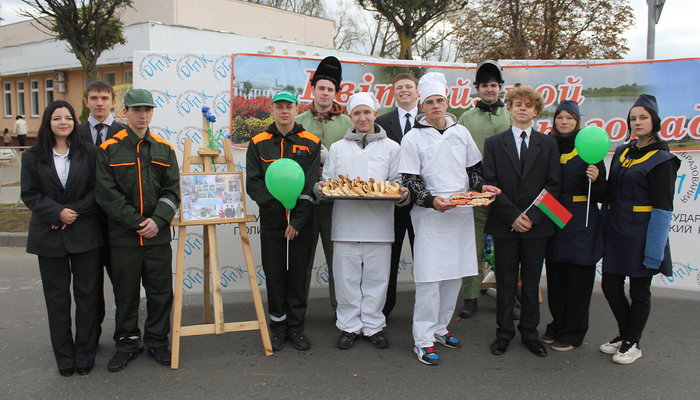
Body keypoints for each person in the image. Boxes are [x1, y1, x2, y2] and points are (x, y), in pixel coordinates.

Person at [399, 72, 500, 366]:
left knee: (454, 275)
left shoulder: (461, 133)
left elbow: (475, 171)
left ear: (447, 101)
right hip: (430, 217)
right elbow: (410, 180)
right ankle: (423, 339)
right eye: (429, 102)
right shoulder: (412, 138)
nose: (435, 106)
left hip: (460, 213)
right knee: (430, 279)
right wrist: (432, 201)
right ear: (422, 105)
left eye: (439, 100)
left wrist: (482, 188)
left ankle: (441, 328)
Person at [95, 89, 180, 371]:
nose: (142, 115)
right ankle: (127, 343)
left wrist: (158, 220)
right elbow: (107, 195)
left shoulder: (164, 149)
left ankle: (157, 341)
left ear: (152, 112)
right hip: (124, 237)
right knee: (126, 293)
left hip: (157, 235)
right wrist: (137, 223)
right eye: (136, 110)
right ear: (126, 112)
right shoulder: (109, 149)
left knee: (160, 293)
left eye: (147, 110)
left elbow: (172, 191)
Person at [319, 92, 409, 350]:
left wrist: (401, 194)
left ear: (375, 114)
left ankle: (373, 326)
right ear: (350, 116)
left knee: (377, 280)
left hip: (379, 227)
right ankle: (348, 326)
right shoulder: (337, 148)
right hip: (345, 226)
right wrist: (324, 188)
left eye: (366, 112)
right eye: (357, 113)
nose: (362, 117)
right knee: (346, 280)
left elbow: (398, 184)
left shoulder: (392, 147)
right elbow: (329, 182)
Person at [21, 100, 103, 377]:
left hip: (85, 234)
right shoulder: (32, 156)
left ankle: (85, 353)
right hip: (49, 236)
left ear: (74, 122)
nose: (63, 122)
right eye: (57, 118)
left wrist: (72, 213)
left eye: (68, 117)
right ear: (48, 123)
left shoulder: (89, 153)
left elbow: (97, 191)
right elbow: (30, 194)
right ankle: (64, 357)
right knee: (57, 299)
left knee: (88, 296)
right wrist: (56, 213)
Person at [600, 94, 680, 365]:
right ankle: (625, 333)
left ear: (654, 120)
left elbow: (662, 209)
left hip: (642, 235)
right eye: (633, 118)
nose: (637, 122)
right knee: (610, 286)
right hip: (616, 231)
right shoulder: (623, 150)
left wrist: (655, 249)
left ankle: (633, 341)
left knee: (639, 291)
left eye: (643, 117)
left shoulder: (663, 160)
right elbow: (610, 191)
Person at [482, 85, 561, 358]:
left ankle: (530, 334)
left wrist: (532, 218)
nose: (523, 108)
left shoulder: (549, 144)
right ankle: (503, 333)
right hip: (506, 225)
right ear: (510, 109)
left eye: (528, 104)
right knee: (504, 282)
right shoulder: (494, 143)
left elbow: (554, 186)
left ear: (536, 111)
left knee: (530, 283)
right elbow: (489, 184)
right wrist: (513, 216)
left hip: (536, 228)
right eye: (518, 104)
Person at [247, 90, 321, 351]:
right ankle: (278, 326)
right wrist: (280, 214)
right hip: (272, 222)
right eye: (279, 106)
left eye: (288, 106)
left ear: (295, 108)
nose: (284, 111)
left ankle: (297, 327)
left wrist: (298, 220)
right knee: (275, 273)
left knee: (298, 274)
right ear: (273, 109)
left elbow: (311, 184)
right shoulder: (258, 142)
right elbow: (254, 184)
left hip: (301, 221)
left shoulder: (311, 142)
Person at [542, 100, 608, 352]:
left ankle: (574, 330)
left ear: (577, 121)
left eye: (570, 117)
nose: (564, 122)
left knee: (579, 278)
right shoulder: (548, 146)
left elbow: (602, 194)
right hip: (554, 214)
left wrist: (596, 179)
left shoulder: (589, 149)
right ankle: (557, 324)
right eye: (560, 117)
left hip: (582, 219)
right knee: (557, 277)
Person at [296, 56, 354, 312]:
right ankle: (297, 312)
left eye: (330, 89)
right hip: (304, 203)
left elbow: (356, 160)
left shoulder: (347, 124)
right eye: (321, 88)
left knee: (338, 260)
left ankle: (340, 310)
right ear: (313, 90)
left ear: (336, 93)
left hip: (336, 205)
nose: (325, 93)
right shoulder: (299, 123)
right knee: (301, 261)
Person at [457, 61, 514, 319]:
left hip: (507, 194)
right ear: (477, 88)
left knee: (507, 250)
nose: (489, 90)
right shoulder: (466, 119)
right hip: (476, 193)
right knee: (474, 248)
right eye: (484, 86)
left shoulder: (511, 115)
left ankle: (508, 297)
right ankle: (470, 297)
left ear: (500, 87)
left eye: (493, 85)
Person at [79, 80, 128, 344]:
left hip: (119, 223)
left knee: (123, 284)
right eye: (94, 98)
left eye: (105, 98)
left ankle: (126, 335)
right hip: (86, 223)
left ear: (113, 102)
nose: (99, 103)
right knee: (90, 287)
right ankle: (90, 338)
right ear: (86, 101)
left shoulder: (125, 131)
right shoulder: (75, 135)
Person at [375, 72, 418, 318]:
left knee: (423, 258)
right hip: (390, 203)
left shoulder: (429, 119)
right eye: (399, 87)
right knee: (388, 259)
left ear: (416, 91)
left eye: (408, 86)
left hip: (423, 203)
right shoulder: (381, 122)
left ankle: (424, 311)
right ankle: (384, 309)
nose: (404, 90)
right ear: (394, 92)